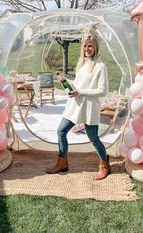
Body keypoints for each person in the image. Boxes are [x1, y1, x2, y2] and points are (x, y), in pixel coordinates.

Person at [46, 33, 111, 180]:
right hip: (75, 106)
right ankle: (62, 162)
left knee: (93, 138)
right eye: (85, 46)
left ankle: (105, 165)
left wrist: (80, 92)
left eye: (90, 46)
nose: (87, 49)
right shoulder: (82, 64)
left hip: (89, 108)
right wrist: (66, 81)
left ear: (95, 48)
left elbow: (103, 91)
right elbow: (78, 84)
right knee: (61, 132)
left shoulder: (101, 66)